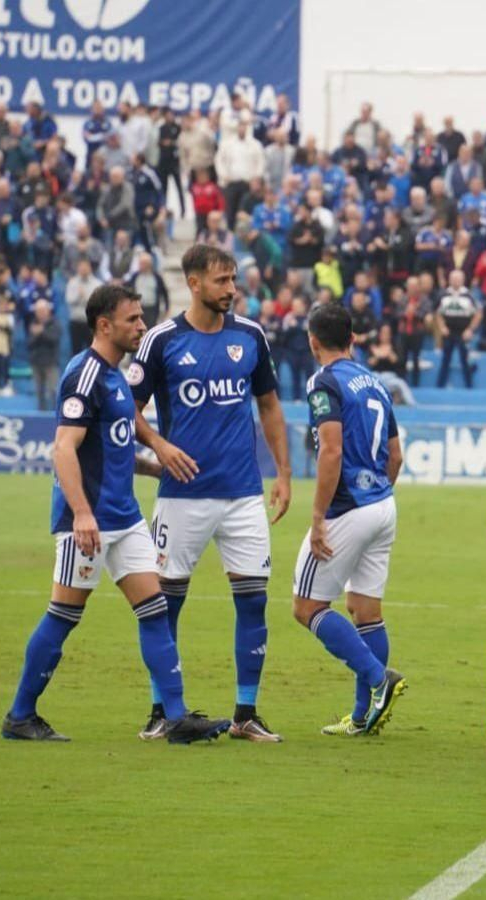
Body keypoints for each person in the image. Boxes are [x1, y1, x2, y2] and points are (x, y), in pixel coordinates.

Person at [1, 283, 229, 744]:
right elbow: (64, 448)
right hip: (88, 522)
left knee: (155, 610)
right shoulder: (83, 374)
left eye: (142, 317)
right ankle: (20, 716)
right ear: (105, 325)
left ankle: (176, 717)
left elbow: (113, 448)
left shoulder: (116, 379)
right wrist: (82, 514)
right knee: (64, 614)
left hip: (124, 519)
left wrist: (154, 464)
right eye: (132, 319)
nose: (142, 326)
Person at [125, 244, 293, 742]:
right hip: (182, 496)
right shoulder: (161, 340)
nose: (232, 289)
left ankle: (246, 712)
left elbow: (269, 406)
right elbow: (128, 409)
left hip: (243, 494)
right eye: (221, 281)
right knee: (164, 605)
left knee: (254, 601)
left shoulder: (250, 336)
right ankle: (162, 710)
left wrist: (282, 473)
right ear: (194, 283)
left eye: (234, 279)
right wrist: (158, 445)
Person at [289, 300, 408, 736]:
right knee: (364, 608)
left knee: (307, 607)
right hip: (382, 504)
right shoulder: (375, 381)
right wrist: (378, 493)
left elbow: (332, 450)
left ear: (313, 341)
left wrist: (319, 516)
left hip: (348, 508)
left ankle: (380, 680)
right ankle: (363, 717)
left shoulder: (323, 381)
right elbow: (396, 455)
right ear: (353, 339)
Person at [435, 270, 480, 388]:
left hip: (463, 332)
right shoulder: (444, 295)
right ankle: (439, 387)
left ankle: (469, 387)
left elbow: (479, 314)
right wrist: (442, 327)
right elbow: (438, 314)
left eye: (458, 279)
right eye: (453, 279)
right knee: (445, 360)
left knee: (465, 360)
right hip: (448, 331)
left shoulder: (469, 296)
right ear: (449, 280)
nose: (455, 281)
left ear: (463, 280)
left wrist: (470, 329)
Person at [27, 300, 60, 411]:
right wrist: (37, 335)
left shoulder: (55, 323)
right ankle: (41, 413)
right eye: (38, 311)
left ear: (48, 311)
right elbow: (30, 344)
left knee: (53, 390)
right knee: (39, 391)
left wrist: (42, 332)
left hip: (50, 362)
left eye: (42, 310)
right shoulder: (33, 324)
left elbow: (53, 340)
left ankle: (56, 415)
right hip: (36, 362)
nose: (40, 313)